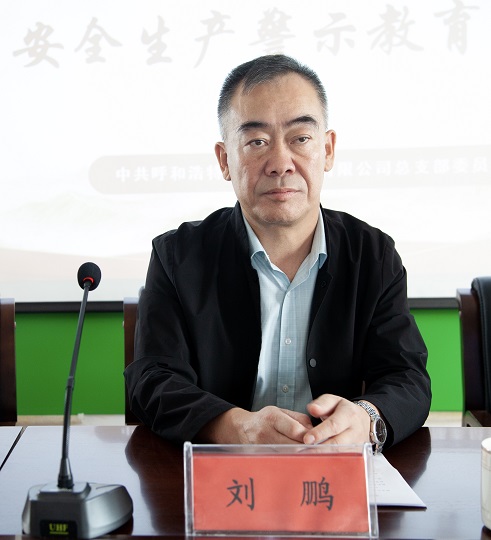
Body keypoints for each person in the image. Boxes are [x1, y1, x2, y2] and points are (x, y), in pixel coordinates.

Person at [124, 54, 431, 451]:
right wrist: (233, 427)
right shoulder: (178, 256)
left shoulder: (373, 254)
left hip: (332, 469)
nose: (280, 163)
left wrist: (366, 418)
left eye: (300, 139)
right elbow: (152, 379)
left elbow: (407, 378)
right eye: (257, 142)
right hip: (226, 469)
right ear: (225, 160)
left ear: (328, 150)